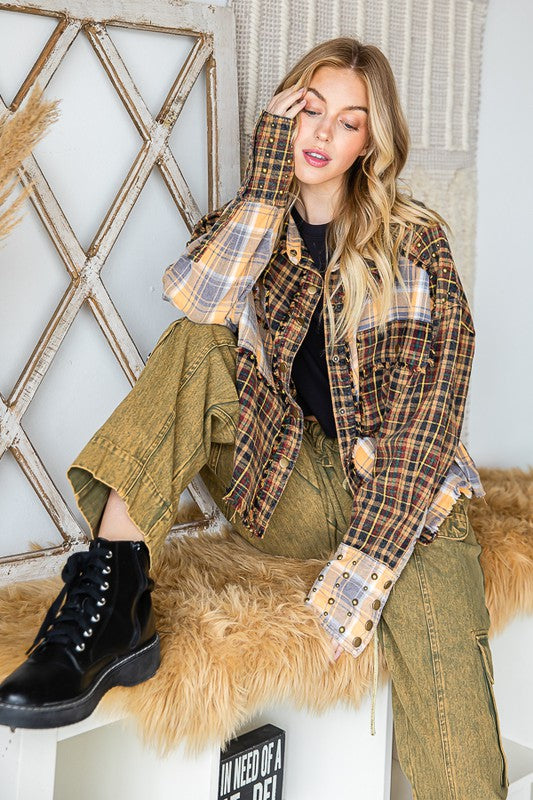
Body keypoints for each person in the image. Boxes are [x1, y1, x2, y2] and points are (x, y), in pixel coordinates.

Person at [0, 37, 508, 798]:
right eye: (310, 110)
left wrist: (356, 580)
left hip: (409, 500)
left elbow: (426, 427)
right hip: (289, 488)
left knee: (454, 726)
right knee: (199, 342)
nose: (322, 133)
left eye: (348, 122)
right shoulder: (248, 225)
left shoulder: (415, 241)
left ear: (370, 143)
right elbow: (195, 303)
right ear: (282, 116)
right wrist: (268, 188)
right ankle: (112, 601)